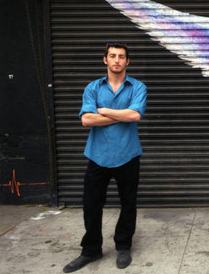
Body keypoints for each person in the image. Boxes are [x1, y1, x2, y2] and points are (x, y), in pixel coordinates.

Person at [63, 42, 147, 273]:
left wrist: (105, 111)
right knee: (91, 205)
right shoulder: (93, 88)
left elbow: (136, 114)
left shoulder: (138, 87)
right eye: (112, 56)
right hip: (97, 155)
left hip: (128, 154)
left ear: (127, 61)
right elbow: (87, 120)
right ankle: (91, 249)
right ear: (105, 60)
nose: (117, 60)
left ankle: (123, 245)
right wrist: (123, 115)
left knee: (128, 203)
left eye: (121, 56)